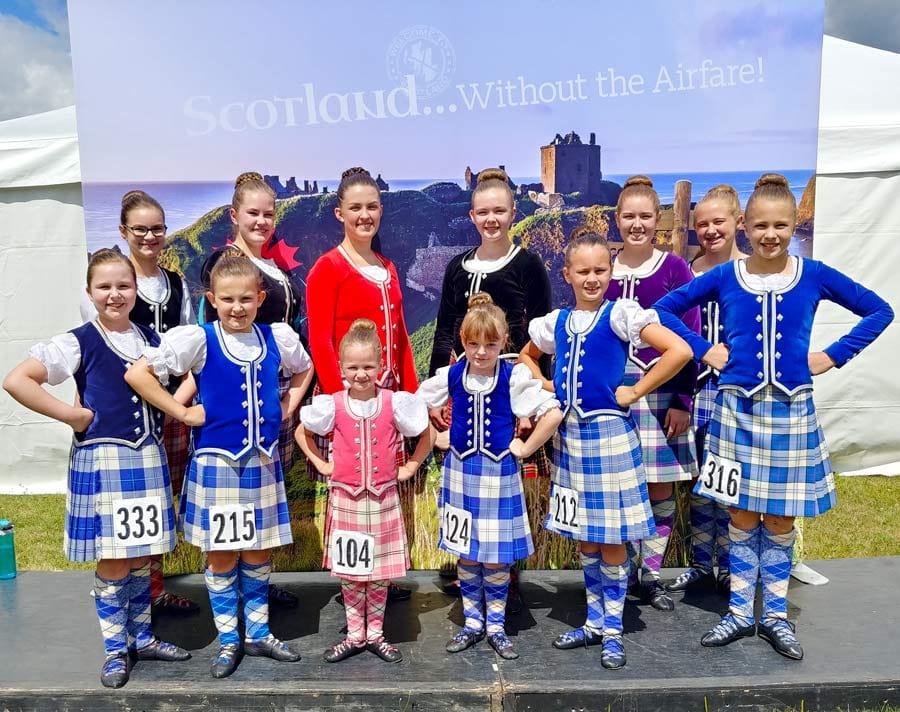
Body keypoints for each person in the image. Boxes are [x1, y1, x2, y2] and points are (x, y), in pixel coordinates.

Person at [654, 173, 893, 660]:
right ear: (745, 225)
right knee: (741, 515)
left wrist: (832, 355)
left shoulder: (814, 273)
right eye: (761, 225)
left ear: (793, 224)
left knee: (780, 519)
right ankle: (741, 611)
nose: (770, 235)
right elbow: (663, 309)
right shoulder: (725, 276)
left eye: (781, 226)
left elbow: (879, 310)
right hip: (736, 411)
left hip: (790, 412)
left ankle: (776, 616)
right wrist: (705, 350)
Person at [3, 249, 191, 688]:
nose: (115, 295)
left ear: (135, 291)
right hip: (104, 458)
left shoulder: (151, 340)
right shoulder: (77, 341)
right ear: (89, 293)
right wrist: (72, 416)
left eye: (124, 286)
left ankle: (142, 636)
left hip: (147, 454)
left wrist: (175, 410)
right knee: (113, 559)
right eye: (104, 287)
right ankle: (114, 649)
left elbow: (184, 377)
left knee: (143, 553)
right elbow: (16, 380)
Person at [126, 253, 314, 678]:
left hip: (262, 462)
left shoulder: (276, 337)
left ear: (260, 297)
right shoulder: (199, 338)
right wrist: (181, 411)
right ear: (212, 299)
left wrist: (288, 407)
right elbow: (140, 374)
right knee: (222, 553)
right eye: (227, 299)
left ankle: (259, 632)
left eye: (246, 299)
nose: (237, 307)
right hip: (216, 464)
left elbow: (305, 368)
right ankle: (229, 638)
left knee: (258, 550)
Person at [519, 231, 692, 669]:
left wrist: (635, 390)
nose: (592, 279)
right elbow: (525, 356)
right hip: (571, 443)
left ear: (610, 272)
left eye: (600, 270)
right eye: (583, 271)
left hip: (612, 441)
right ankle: (594, 620)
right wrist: (547, 385)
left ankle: (613, 628)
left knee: (612, 540)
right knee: (586, 539)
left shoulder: (621, 316)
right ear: (568, 275)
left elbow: (680, 350)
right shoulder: (555, 322)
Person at [428, 167, 553, 602]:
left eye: (499, 210)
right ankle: (469, 572)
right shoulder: (456, 267)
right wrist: (437, 398)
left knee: (503, 489)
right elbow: (446, 332)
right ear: (472, 214)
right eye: (483, 211)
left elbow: (539, 335)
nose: (491, 219)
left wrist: (529, 398)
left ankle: (503, 578)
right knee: (467, 486)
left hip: (507, 392)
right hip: (464, 391)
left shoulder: (528, 264)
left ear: (513, 212)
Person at [418, 293, 562, 660]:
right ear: (463, 342)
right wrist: (436, 436)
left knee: (496, 557)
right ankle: (472, 623)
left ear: (503, 343)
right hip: (460, 475)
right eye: (473, 344)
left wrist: (525, 449)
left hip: (499, 475)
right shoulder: (450, 375)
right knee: (467, 554)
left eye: (491, 344)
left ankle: (495, 625)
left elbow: (553, 413)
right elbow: (411, 406)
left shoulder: (513, 377)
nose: (481, 352)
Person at [81, 190, 199, 615]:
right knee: (125, 504)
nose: (150, 236)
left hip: (166, 405)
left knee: (159, 498)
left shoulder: (177, 284)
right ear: (123, 232)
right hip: (120, 410)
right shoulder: (109, 282)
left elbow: (186, 351)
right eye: (140, 229)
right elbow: (91, 352)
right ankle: (129, 590)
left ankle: (154, 587)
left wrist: (177, 405)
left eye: (157, 228)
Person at [305, 166, 419, 602]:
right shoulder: (327, 268)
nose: (365, 215)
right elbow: (319, 340)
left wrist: (408, 393)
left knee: (384, 487)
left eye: (372, 206)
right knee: (355, 493)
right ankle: (357, 582)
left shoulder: (387, 267)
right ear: (340, 213)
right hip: (350, 401)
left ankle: (381, 574)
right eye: (356, 207)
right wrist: (340, 402)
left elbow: (402, 335)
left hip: (387, 401)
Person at [296, 319, 432, 663]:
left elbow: (425, 433)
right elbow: (302, 433)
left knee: (380, 574)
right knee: (353, 573)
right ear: (342, 368)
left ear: (381, 366)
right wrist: (322, 464)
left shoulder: (393, 402)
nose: (361, 374)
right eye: (354, 367)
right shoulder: (333, 404)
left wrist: (412, 465)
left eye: (368, 366)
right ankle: (355, 634)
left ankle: (376, 634)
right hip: (346, 498)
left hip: (383, 498)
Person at [200, 171, 306, 607]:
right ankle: (234, 596)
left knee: (260, 496)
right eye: (253, 214)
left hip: (273, 396)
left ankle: (257, 584)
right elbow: (208, 335)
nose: (261, 222)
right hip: (233, 396)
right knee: (233, 498)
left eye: (268, 214)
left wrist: (287, 404)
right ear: (234, 215)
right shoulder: (223, 267)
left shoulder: (273, 269)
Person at [605, 175, 700, 611]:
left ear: (657, 220)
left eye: (646, 216)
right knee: (619, 487)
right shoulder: (603, 270)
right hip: (612, 395)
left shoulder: (674, 269)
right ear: (617, 220)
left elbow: (692, 336)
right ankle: (619, 574)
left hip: (661, 394)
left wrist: (682, 401)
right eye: (629, 216)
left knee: (659, 488)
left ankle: (650, 573)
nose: (637, 224)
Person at [667, 185, 747, 597]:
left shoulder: (751, 272)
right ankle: (701, 563)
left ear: (738, 222)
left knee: (731, 481)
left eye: (719, 222)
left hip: (738, 392)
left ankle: (732, 566)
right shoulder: (688, 273)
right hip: (697, 389)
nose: (711, 230)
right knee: (702, 482)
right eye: (703, 224)